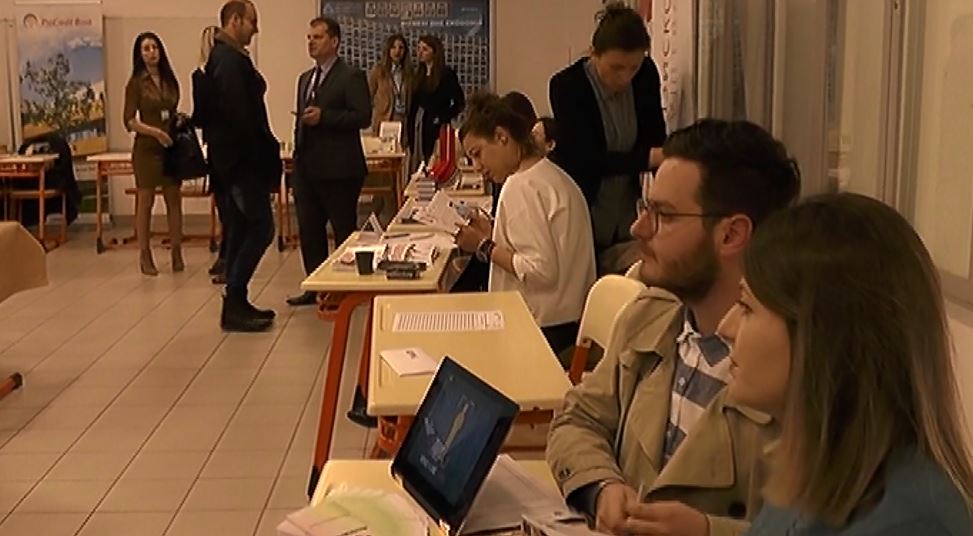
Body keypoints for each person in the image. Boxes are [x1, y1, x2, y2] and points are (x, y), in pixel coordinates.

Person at [545, 119, 801, 536]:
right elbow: (578, 418)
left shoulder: (786, 373)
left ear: (731, 234)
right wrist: (601, 487)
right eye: (645, 208)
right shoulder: (651, 315)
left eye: (663, 215)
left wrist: (708, 531)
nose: (638, 228)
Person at [717, 193, 973, 535]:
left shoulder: (911, 521)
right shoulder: (817, 466)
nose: (726, 327)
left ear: (823, 337)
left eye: (746, 307)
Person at [454, 93, 595, 356]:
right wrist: (495, 235)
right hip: (570, 324)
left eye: (477, 154)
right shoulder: (551, 174)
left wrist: (484, 246)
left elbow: (540, 271)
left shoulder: (521, 186)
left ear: (501, 136)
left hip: (542, 330)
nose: (477, 166)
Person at [549, 2, 667, 275]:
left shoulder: (645, 75)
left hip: (625, 212)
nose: (625, 77)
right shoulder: (567, 86)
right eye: (616, 67)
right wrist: (648, 158)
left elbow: (655, 136)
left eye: (633, 67)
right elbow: (586, 160)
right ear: (594, 54)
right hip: (585, 210)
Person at [206, 0, 281, 332]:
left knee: (241, 229)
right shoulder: (228, 61)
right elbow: (240, 117)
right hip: (240, 164)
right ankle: (235, 299)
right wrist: (257, 161)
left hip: (232, 163)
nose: (256, 29)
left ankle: (236, 301)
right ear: (235, 20)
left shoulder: (226, 57)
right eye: (252, 21)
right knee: (261, 227)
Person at [286, 16, 371, 307]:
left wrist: (326, 117)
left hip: (339, 170)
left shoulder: (350, 76)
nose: (311, 42)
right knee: (309, 231)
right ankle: (316, 286)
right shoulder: (305, 79)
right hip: (307, 169)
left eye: (318, 37)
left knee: (343, 230)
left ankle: (343, 288)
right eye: (309, 37)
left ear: (334, 41)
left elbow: (362, 116)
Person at [123, 31, 183, 277]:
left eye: (154, 47)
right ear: (140, 54)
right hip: (147, 149)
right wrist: (155, 132)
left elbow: (173, 110)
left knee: (174, 199)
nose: (151, 53)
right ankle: (145, 254)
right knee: (145, 202)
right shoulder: (136, 83)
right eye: (146, 49)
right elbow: (129, 121)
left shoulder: (169, 80)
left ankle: (176, 251)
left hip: (170, 147)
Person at [191, 25, 227, 284]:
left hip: (217, 145)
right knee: (229, 208)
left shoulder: (201, 75)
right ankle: (226, 256)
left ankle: (226, 257)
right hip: (225, 144)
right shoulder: (225, 71)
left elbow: (200, 115)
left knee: (226, 206)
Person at [407, 34, 465, 167]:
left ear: (435, 52)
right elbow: (414, 103)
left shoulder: (446, 74)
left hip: (437, 125)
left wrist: (442, 117)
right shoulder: (419, 74)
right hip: (418, 124)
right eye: (418, 48)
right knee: (419, 160)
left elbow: (459, 102)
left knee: (435, 158)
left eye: (425, 49)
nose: (420, 52)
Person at [368, 33, 413, 137]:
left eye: (401, 48)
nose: (397, 51)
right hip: (384, 118)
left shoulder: (408, 73)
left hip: (402, 119)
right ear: (388, 50)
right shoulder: (379, 71)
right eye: (393, 47)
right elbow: (369, 95)